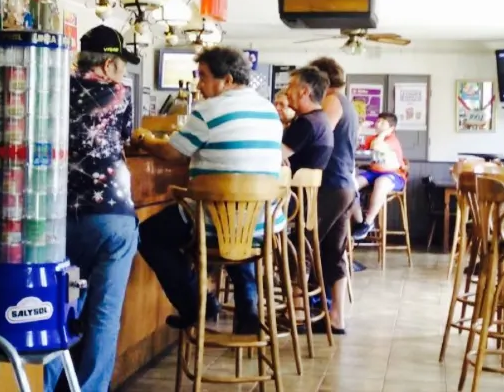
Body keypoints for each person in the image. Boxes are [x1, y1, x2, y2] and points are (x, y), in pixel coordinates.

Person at [132, 47, 285, 334]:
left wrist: (144, 140)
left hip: (217, 221)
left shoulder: (208, 111)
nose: (199, 84)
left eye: (203, 77)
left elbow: (173, 153)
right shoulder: (269, 111)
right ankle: (247, 309)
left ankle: (196, 306)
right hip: (261, 223)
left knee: (148, 235)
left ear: (227, 80)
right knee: (236, 227)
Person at [44, 25, 140, 392]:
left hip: (62, 215)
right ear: (110, 64)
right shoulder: (121, 93)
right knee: (105, 315)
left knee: (59, 306)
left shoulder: (55, 87)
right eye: (121, 64)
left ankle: (43, 383)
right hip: (115, 217)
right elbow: (126, 137)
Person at [305, 57, 358, 335]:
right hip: (344, 185)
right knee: (332, 252)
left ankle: (298, 311)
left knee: (301, 245)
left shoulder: (333, 100)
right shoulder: (346, 102)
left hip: (331, 184)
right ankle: (336, 316)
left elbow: (320, 134)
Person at [280, 66, 334, 296]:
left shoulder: (306, 123)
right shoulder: (321, 120)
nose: (287, 91)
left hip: (289, 204)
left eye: (291, 86)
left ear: (304, 91)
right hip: (305, 204)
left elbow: (273, 157)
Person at [351, 112, 407, 241]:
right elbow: (357, 148)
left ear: (391, 128)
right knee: (350, 184)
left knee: (381, 183)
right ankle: (360, 222)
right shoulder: (373, 138)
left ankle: (368, 221)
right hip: (373, 172)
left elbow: (376, 146)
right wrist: (360, 129)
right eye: (377, 121)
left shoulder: (392, 140)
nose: (377, 123)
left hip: (394, 174)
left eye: (382, 122)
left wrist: (385, 133)